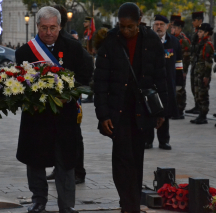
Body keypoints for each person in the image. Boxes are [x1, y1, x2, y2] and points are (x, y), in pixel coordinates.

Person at [94, 3, 167, 213]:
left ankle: (130, 200)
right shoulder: (111, 40)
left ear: (139, 22)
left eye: (130, 27)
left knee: (136, 157)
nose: (126, 31)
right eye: (122, 26)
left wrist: (161, 112)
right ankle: (130, 204)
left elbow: (161, 77)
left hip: (142, 109)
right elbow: (100, 82)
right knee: (122, 158)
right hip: (118, 109)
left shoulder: (151, 40)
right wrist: (103, 114)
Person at [15, 6, 90, 213]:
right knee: (35, 161)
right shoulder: (24, 52)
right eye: (44, 28)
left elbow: (85, 75)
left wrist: (69, 91)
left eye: (53, 28)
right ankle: (38, 200)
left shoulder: (74, 48)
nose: (48, 33)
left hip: (64, 117)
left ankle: (66, 205)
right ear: (37, 27)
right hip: (36, 117)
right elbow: (19, 84)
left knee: (66, 162)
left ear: (59, 26)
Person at [45, 5, 94, 185]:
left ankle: (77, 171)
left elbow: (88, 63)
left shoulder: (68, 41)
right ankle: (60, 168)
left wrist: (77, 86)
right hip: (55, 97)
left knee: (73, 135)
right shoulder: (50, 40)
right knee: (58, 134)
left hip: (69, 98)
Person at [144, 15, 183, 150]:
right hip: (150, 83)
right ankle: (148, 140)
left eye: (161, 24)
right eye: (156, 24)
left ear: (167, 26)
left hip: (167, 83)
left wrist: (179, 82)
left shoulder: (174, 42)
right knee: (149, 111)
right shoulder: (147, 41)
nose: (159, 27)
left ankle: (164, 140)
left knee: (165, 112)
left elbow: (178, 63)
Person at [189, 23, 214, 125]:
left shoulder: (207, 45)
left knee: (203, 95)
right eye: (198, 32)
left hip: (202, 74)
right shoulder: (200, 43)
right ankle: (200, 115)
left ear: (206, 33)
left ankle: (203, 116)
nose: (198, 33)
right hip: (197, 72)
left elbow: (208, 62)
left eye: (200, 32)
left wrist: (206, 76)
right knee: (197, 94)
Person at [171, 19, 191, 119]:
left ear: (179, 29)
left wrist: (184, 71)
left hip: (181, 68)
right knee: (175, 88)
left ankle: (180, 110)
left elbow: (187, 58)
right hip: (175, 67)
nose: (171, 30)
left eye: (173, 28)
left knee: (180, 89)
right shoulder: (173, 39)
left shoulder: (183, 40)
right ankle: (175, 109)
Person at [186, 11, 204, 115]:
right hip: (195, 62)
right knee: (194, 85)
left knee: (199, 86)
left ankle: (200, 107)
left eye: (194, 20)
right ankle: (197, 105)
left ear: (200, 21)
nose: (193, 22)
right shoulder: (196, 31)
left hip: (200, 64)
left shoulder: (203, 32)